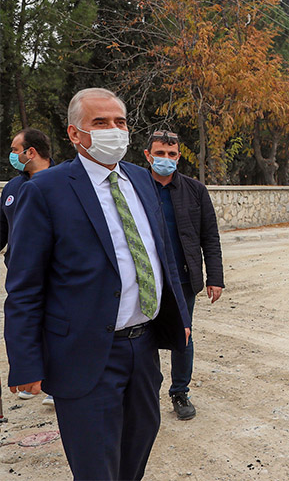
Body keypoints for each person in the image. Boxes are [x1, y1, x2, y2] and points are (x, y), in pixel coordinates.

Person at [4, 87, 190, 480]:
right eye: (100, 123)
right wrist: (25, 362)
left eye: (120, 122)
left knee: (135, 455)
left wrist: (180, 316)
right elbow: (23, 287)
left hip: (143, 350)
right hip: (84, 354)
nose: (114, 130)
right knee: (95, 467)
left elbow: (162, 256)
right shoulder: (44, 191)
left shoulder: (141, 180)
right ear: (75, 134)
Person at [143, 129, 224, 421]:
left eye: (171, 154)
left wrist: (214, 276)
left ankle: (180, 391)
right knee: (142, 338)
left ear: (179, 157)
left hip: (183, 279)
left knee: (183, 335)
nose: (165, 159)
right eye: (160, 153)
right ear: (147, 155)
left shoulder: (195, 191)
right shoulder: (134, 187)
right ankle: (146, 392)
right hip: (144, 279)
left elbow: (210, 237)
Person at [1, 128, 56, 406]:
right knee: (29, 322)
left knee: (58, 326)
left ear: (30, 152)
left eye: (14, 149)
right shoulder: (12, 189)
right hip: (22, 272)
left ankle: (58, 384)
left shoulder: (64, 184)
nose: (11, 155)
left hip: (58, 274)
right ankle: (34, 375)